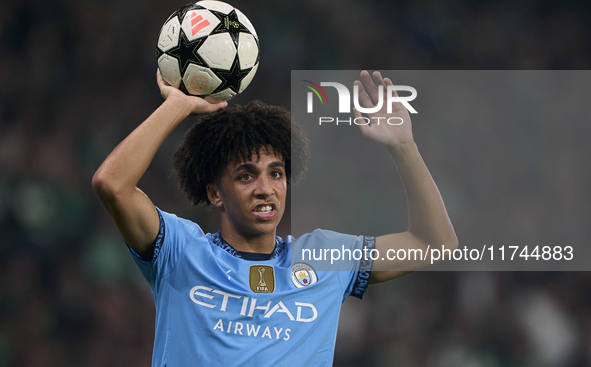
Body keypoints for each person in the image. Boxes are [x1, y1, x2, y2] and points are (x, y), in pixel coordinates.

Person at [92, 69, 458, 366]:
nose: (265, 188)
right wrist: (178, 105)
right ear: (215, 193)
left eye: (276, 173)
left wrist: (404, 147)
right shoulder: (180, 250)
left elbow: (433, 243)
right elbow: (113, 185)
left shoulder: (323, 258)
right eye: (246, 175)